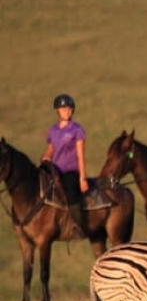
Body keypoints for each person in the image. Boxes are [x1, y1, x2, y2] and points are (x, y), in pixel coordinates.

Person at [41, 93, 87, 240]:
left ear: (72, 111)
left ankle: (78, 226)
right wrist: (45, 158)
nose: (66, 111)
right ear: (57, 111)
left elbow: (80, 155)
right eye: (63, 109)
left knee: (71, 191)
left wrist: (82, 178)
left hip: (70, 170)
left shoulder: (77, 129)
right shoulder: (52, 130)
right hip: (54, 169)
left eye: (69, 109)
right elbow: (50, 148)